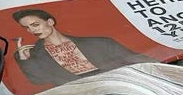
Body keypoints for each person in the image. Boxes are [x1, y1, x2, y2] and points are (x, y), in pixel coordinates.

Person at [13, 8, 152, 87]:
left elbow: (140, 59)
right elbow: (38, 81)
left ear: (50, 22)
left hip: (121, 83)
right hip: (81, 92)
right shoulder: (31, 55)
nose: (31, 30)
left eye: (35, 25)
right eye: (27, 28)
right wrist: (26, 60)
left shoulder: (100, 43)